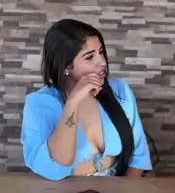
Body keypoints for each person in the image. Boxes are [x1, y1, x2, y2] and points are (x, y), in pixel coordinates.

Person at [21, 19, 152, 179]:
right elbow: (55, 167)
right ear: (66, 66)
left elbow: (139, 157)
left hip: (116, 187)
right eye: (89, 57)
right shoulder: (39, 104)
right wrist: (73, 102)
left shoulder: (120, 91)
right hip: (62, 189)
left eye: (101, 52)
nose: (102, 62)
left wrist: (125, 192)